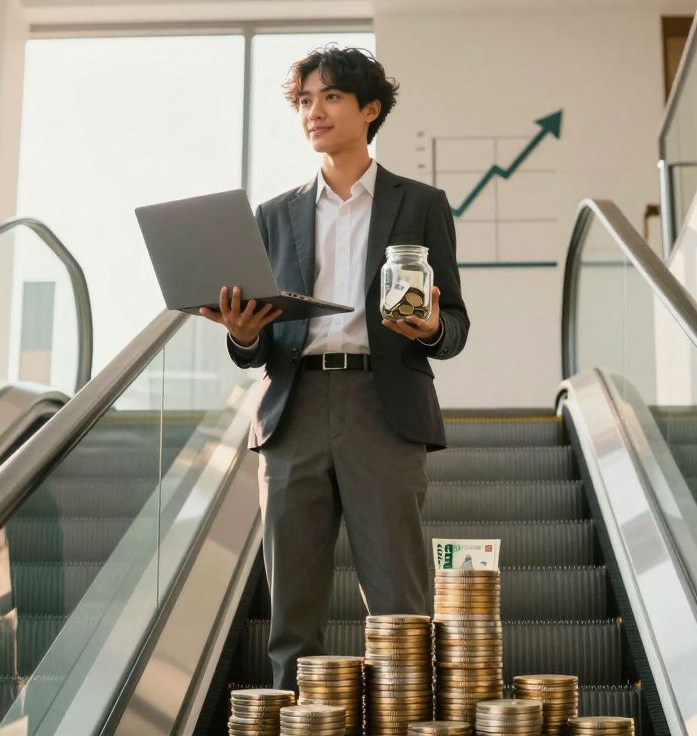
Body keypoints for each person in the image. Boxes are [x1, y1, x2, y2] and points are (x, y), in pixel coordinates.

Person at [198, 45, 470, 691]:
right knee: (292, 614)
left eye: (330, 98)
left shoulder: (421, 204)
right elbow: (260, 343)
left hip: (384, 407)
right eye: (305, 100)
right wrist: (242, 335)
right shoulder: (273, 214)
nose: (313, 112)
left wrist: (431, 326)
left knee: (401, 606)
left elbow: (454, 325)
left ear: (369, 110)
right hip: (293, 414)